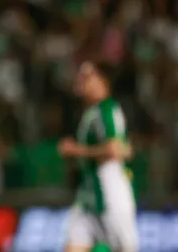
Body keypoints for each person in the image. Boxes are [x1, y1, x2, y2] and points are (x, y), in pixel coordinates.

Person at [58, 61, 138, 252]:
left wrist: (76, 150)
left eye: (88, 77)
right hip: (87, 198)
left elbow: (117, 149)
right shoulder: (90, 112)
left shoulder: (107, 109)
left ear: (103, 81)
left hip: (111, 197)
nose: (82, 81)